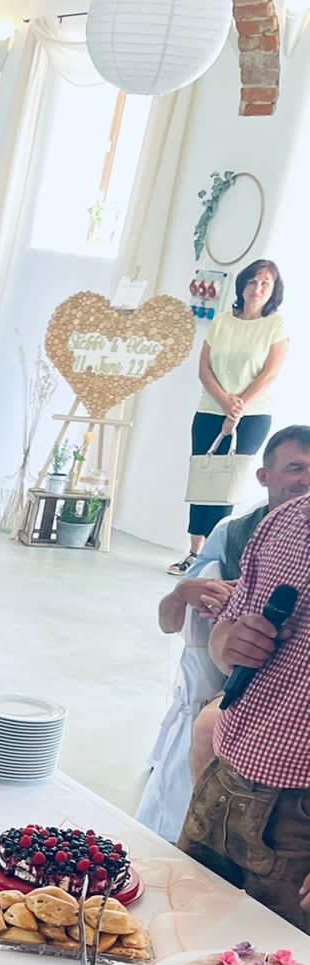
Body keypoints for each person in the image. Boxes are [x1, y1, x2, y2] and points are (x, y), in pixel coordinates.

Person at [139, 426, 310, 844]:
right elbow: (174, 622)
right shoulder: (237, 534)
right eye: (296, 468)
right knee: (207, 729)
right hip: (238, 688)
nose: (306, 480)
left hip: (285, 717)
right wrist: (192, 597)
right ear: (264, 476)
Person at [177, 488, 310, 927]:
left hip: (301, 825)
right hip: (224, 782)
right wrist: (229, 642)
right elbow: (224, 636)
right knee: (175, 936)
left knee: (276, 964)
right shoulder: (286, 521)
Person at [174, 258, 290, 574]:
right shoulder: (223, 321)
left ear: (273, 290)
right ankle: (194, 552)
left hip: (253, 415)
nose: (258, 288)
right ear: (242, 286)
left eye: (265, 283)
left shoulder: (275, 325)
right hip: (211, 408)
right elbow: (204, 369)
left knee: (226, 484)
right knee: (203, 478)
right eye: (252, 281)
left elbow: (269, 374)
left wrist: (238, 408)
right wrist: (226, 403)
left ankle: (217, 557)